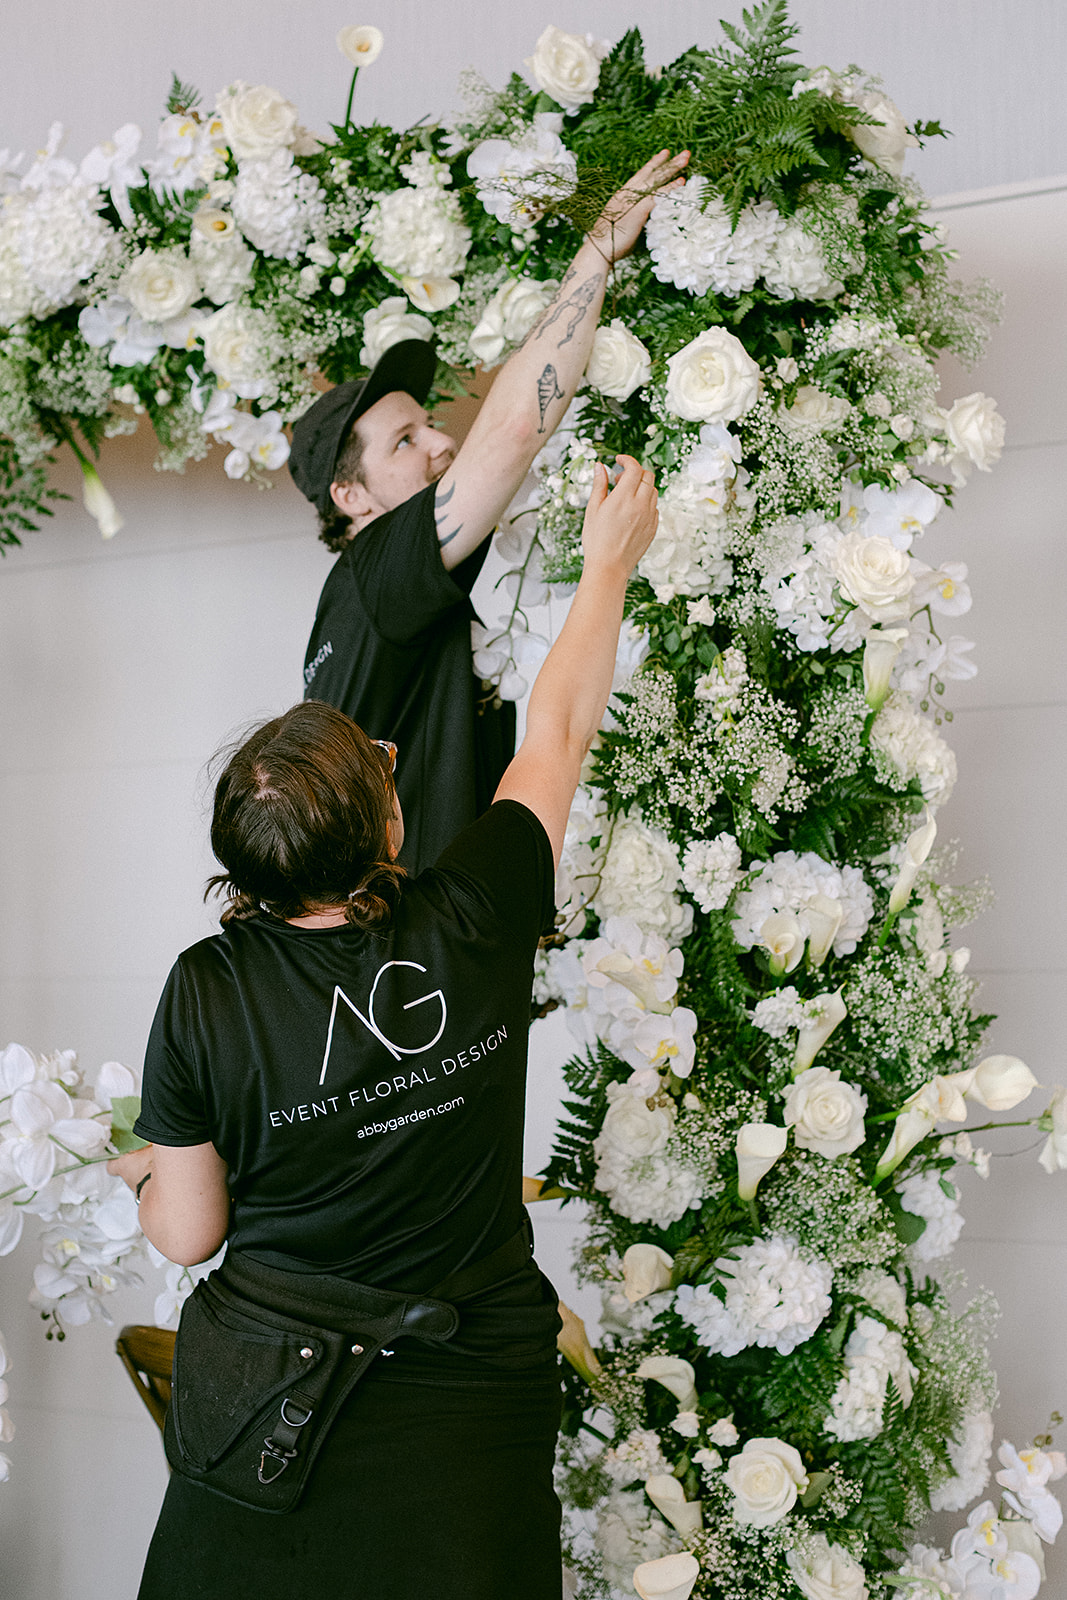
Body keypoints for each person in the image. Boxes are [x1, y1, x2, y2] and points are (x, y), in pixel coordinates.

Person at [109, 452, 660, 1600]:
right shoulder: (477, 906)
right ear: (391, 816)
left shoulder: (205, 990)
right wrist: (607, 565)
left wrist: (149, 1168)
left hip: (281, 1414)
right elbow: (553, 734)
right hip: (470, 1405)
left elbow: (185, 1233)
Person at [289, 148, 688, 871]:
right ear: (349, 498)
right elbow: (510, 432)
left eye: (429, 422)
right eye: (405, 441)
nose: (441, 442)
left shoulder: (370, 600)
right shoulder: (375, 574)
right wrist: (598, 249)